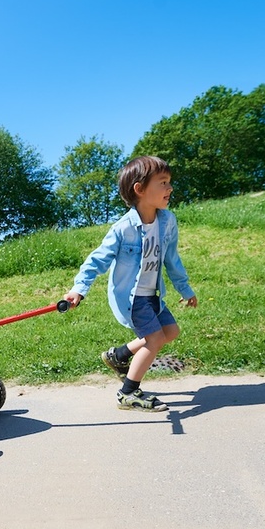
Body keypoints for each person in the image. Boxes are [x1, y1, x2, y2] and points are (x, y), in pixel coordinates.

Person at [63, 155, 198, 412]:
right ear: (140, 189)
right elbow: (97, 260)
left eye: (169, 182)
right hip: (132, 296)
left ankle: (120, 355)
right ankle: (128, 392)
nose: (170, 188)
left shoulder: (167, 222)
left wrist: (185, 289)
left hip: (153, 295)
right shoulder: (123, 229)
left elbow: (172, 259)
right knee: (154, 339)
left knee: (170, 332)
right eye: (163, 182)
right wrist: (78, 289)